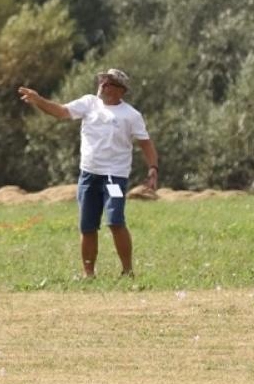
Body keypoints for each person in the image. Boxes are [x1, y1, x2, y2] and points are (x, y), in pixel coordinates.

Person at [18, 68, 158, 278]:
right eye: (101, 80)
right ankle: (88, 274)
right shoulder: (89, 103)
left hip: (114, 178)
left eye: (108, 82)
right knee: (87, 226)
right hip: (89, 177)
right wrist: (38, 100)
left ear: (120, 90)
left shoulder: (131, 115)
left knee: (115, 221)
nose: (102, 84)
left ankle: (128, 271)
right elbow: (61, 112)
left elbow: (146, 144)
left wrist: (153, 168)